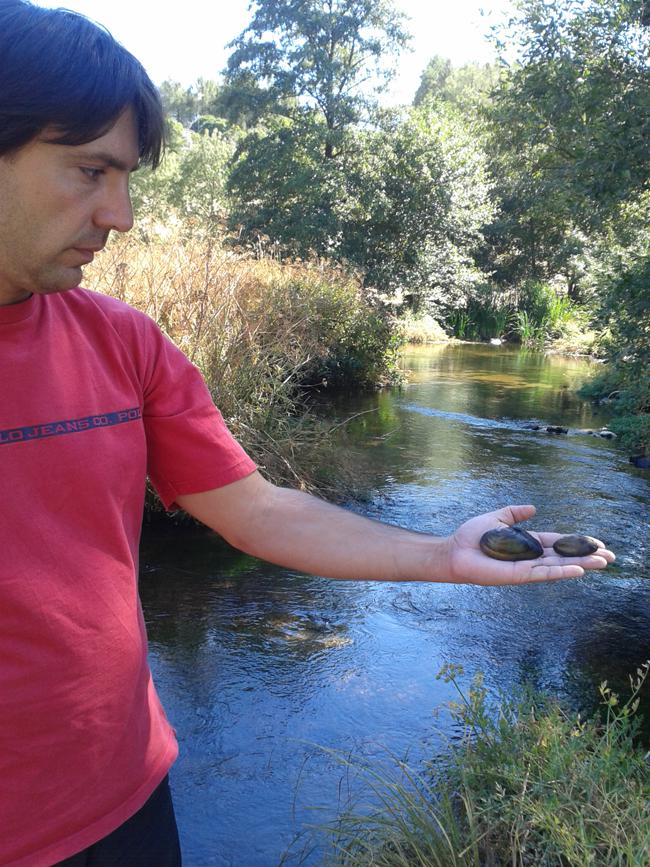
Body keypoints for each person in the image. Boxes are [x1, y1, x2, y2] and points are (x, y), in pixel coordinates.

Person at [0, 2, 615, 865]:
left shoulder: (123, 342)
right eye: (90, 171)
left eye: (129, 176)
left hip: (126, 804)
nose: (122, 214)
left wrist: (441, 555)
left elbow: (256, 511)